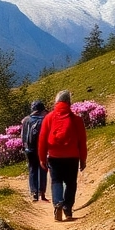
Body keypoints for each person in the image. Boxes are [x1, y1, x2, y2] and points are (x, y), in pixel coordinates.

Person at [38, 89, 88, 222]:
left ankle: (58, 203)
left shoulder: (48, 118)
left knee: (56, 181)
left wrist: (42, 158)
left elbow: (42, 140)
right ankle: (68, 208)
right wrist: (83, 159)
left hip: (54, 156)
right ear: (69, 103)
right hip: (72, 157)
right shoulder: (76, 119)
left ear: (56, 102)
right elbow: (82, 141)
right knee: (71, 183)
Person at [20, 100, 48, 201]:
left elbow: (23, 135)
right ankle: (42, 193)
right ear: (41, 110)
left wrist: (24, 146)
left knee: (32, 169)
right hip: (42, 149)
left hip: (29, 149)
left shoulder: (26, 120)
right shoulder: (44, 120)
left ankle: (34, 193)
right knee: (43, 168)